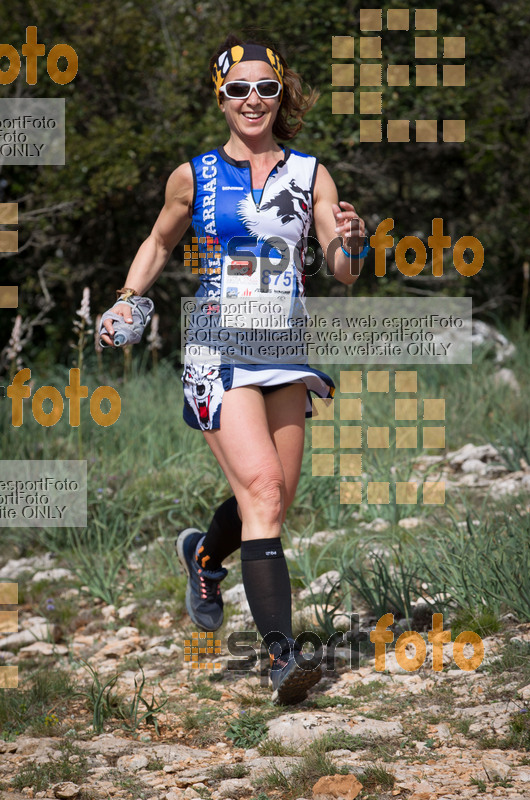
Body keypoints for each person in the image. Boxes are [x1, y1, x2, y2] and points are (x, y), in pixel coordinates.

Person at [101, 34, 367, 704]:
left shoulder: (311, 174)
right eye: (238, 90)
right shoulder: (193, 174)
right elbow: (160, 239)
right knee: (260, 491)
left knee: (274, 498)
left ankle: (204, 555)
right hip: (217, 340)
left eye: (265, 88)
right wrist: (129, 299)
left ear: (281, 95)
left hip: (283, 341)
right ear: (219, 98)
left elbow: (340, 268)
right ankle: (282, 659)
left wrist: (352, 245)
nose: (252, 100)